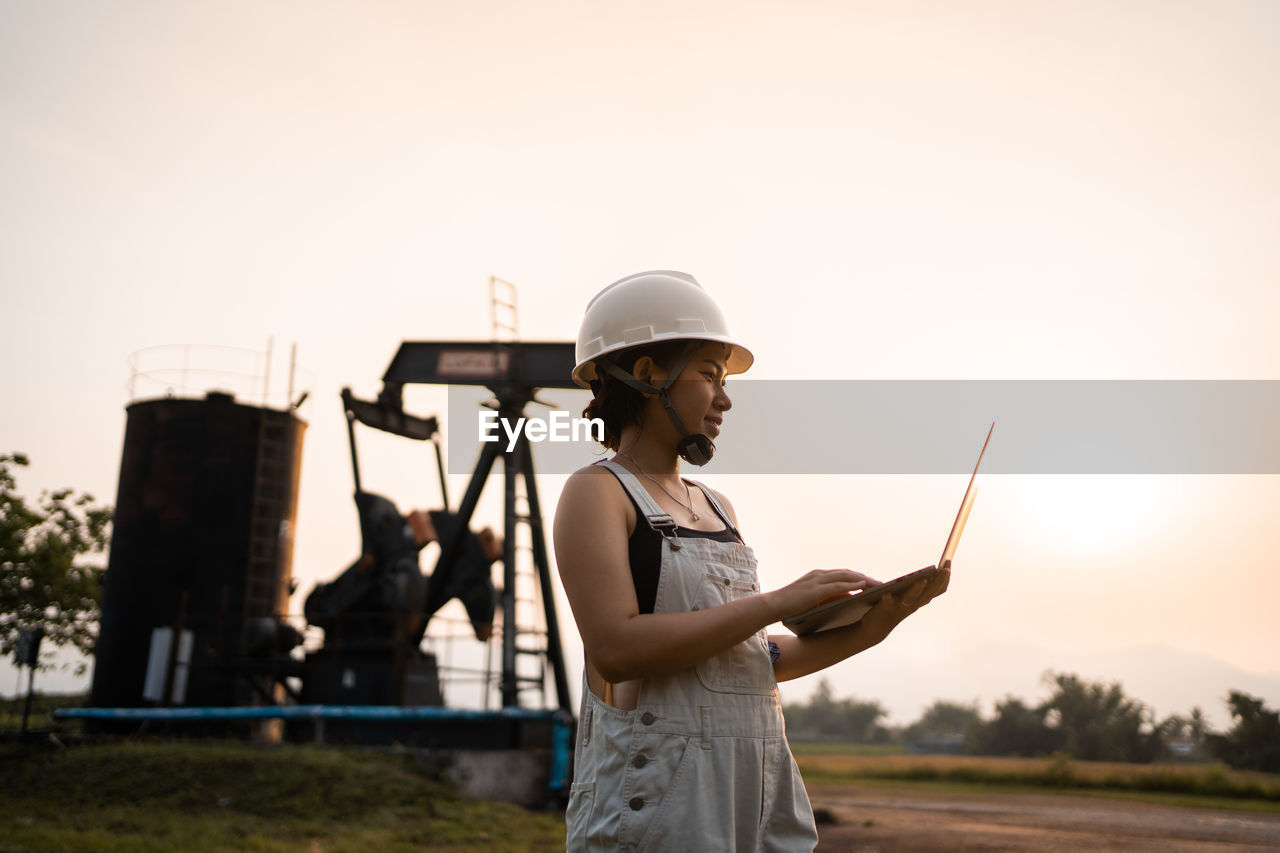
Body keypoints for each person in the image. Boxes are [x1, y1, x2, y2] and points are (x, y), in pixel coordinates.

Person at [554, 271, 950, 852]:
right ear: (645, 376)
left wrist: (876, 624)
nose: (725, 397)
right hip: (659, 803)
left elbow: (750, 661)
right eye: (709, 376)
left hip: (751, 790)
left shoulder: (718, 506)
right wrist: (779, 602)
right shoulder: (597, 492)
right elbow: (616, 650)